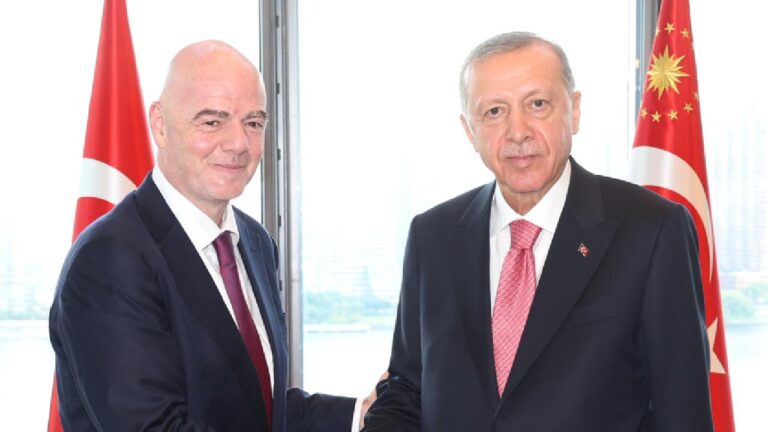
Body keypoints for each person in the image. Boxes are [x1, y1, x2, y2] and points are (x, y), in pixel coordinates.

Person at [363, 32, 714, 431]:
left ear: (574, 111)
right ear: (469, 131)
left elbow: (682, 411)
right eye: (494, 111)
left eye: (537, 104)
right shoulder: (432, 237)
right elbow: (407, 390)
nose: (518, 131)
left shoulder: (652, 229)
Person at [50, 40, 374, 431]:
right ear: (160, 125)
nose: (238, 143)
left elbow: (258, 405)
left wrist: (363, 415)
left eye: (253, 123)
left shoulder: (255, 242)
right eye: (212, 121)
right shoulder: (109, 259)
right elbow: (152, 426)